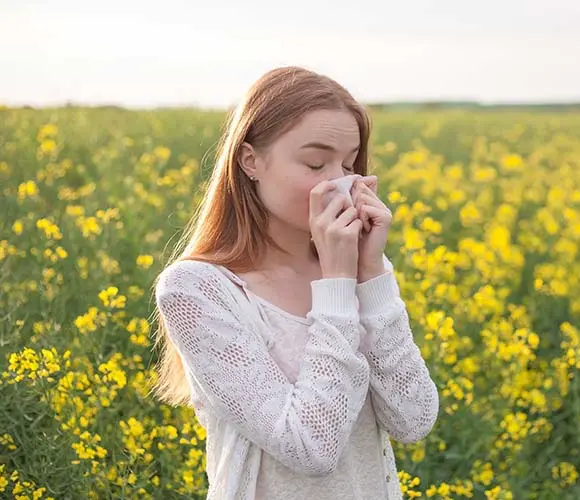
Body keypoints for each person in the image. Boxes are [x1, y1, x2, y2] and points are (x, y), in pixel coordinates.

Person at [151, 66, 439, 499]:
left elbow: (413, 419)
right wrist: (339, 284)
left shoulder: (356, 270)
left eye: (349, 162)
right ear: (250, 160)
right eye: (315, 162)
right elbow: (311, 448)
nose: (340, 181)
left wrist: (371, 274)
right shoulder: (197, 289)